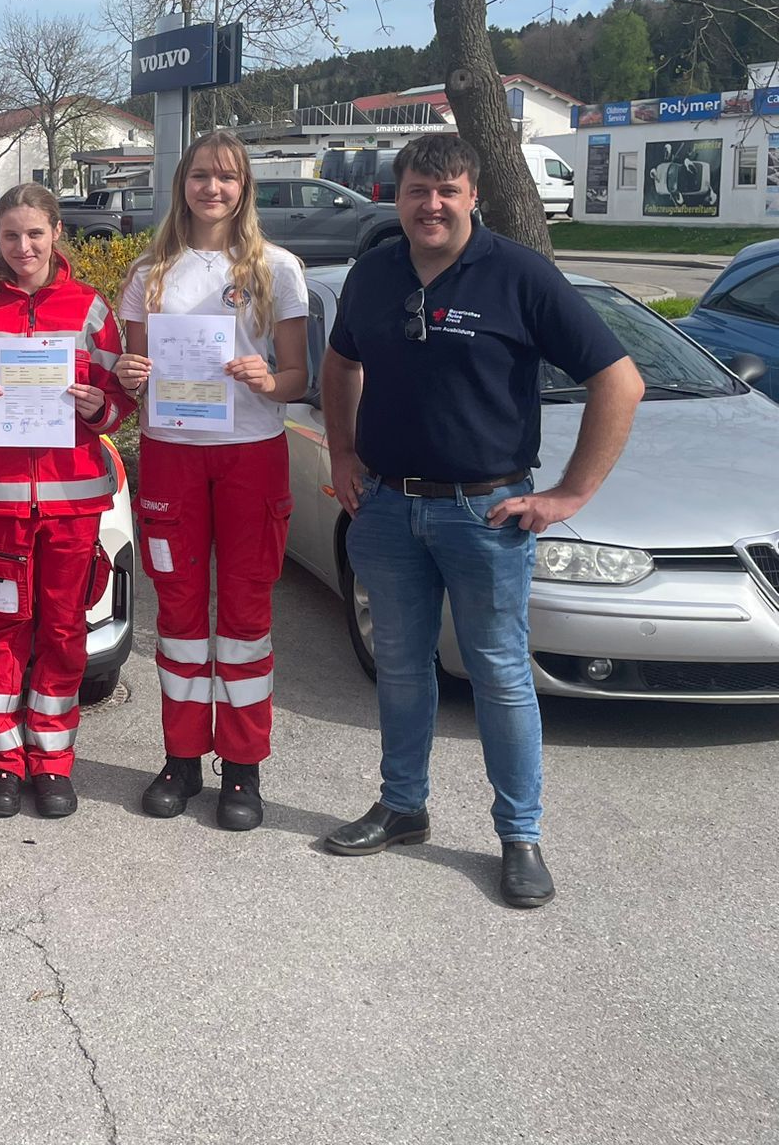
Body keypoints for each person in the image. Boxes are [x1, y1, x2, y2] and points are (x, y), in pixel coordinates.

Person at [321, 133, 642, 908]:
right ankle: (403, 806)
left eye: (447, 190)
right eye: (416, 191)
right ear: (394, 197)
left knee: (499, 676)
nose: (431, 204)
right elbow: (339, 365)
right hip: (390, 507)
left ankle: (519, 835)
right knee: (401, 667)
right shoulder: (374, 272)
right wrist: (340, 453)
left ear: (472, 196)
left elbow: (620, 382)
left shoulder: (520, 275)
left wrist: (568, 495)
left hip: (485, 514)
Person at [112, 132, 309, 831]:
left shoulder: (277, 269)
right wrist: (128, 374)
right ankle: (182, 758)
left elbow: (297, 379)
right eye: (201, 176)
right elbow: (134, 375)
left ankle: (244, 768)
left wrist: (269, 379)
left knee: (248, 618)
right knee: (181, 614)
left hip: (251, 453)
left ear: (244, 186)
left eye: (226, 178)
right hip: (172, 455)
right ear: (182, 185)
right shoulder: (150, 274)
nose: (213, 189)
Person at [0, 185, 133, 820]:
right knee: (2, 629)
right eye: (11, 235)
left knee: (65, 630)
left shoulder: (91, 308)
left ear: (56, 232)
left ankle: (52, 761)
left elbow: (116, 398)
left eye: (34, 234)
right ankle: (1, 762)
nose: (22, 247)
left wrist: (103, 407)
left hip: (73, 501)